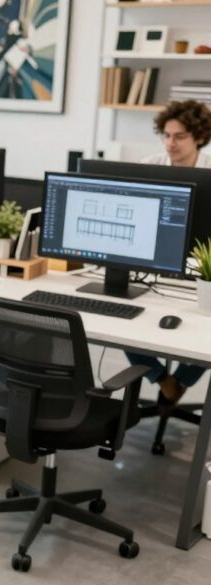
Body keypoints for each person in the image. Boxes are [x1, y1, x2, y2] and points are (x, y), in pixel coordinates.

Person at [126, 100, 211, 409]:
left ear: (199, 137)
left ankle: (183, 380)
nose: (170, 143)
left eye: (179, 136)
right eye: (166, 135)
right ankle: (163, 380)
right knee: (125, 318)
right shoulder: (152, 164)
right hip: (154, 258)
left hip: (202, 263)